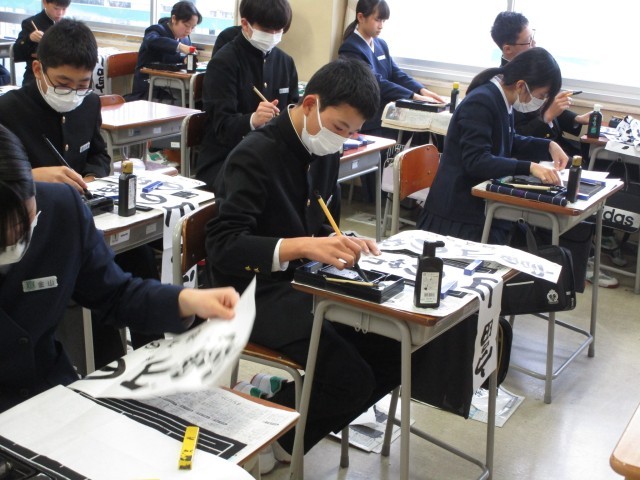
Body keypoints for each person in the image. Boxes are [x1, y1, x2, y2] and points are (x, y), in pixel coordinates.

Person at [206, 59, 401, 459]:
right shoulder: (254, 154)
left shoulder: (322, 148)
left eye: (352, 132)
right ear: (310, 104)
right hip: (251, 292)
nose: (343, 139)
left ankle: (280, 418)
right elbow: (224, 246)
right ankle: (273, 438)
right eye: (340, 127)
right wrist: (304, 246)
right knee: (351, 379)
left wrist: (340, 240)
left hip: (304, 281)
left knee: (392, 350)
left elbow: (319, 221)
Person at [0, 124, 239, 413]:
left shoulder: (60, 209)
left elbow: (115, 294)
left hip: (48, 391)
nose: (17, 240)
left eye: (25, 221)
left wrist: (184, 300)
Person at [0, 19, 167, 364]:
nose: (73, 93)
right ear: (38, 69)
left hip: (88, 212)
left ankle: (153, 355)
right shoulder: (8, 111)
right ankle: (107, 361)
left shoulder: (89, 105)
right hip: (34, 228)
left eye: (83, 84)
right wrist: (32, 177)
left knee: (137, 256)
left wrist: (91, 176)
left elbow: (99, 154)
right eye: (63, 83)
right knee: (91, 280)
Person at [417, 47, 568, 244]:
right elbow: (477, 161)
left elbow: (507, 138)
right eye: (542, 95)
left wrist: (548, 146)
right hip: (457, 214)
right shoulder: (481, 102)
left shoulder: (503, 98)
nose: (541, 101)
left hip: (479, 204)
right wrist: (529, 167)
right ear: (521, 85)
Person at [338, 0, 444, 201]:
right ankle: (378, 200)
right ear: (361, 17)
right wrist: (413, 96)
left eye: (384, 21)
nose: (381, 26)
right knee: (379, 166)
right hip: (369, 116)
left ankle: (400, 197)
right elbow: (375, 81)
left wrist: (421, 89)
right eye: (377, 20)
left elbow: (396, 73)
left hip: (387, 113)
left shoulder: (380, 44)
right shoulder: (350, 48)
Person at [196, 0, 298, 188]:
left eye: (279, 30)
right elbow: (222, 127)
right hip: (226, 159)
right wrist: (252, 120)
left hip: (270, 157)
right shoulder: (224, 62)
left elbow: (293, 111)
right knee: (268, 188)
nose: (273, 36)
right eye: (266, 30)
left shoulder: (285, 62)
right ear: (245, 24)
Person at [491, 11, 590, 158]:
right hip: (535, 155)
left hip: (556, 144)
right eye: (529, 41)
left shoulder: (531, 69)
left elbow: (544, 106)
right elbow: (513, 139)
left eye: (533, 38)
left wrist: (577, 119)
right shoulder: (505, 85)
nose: (534, 44)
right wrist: (546, 118)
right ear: (508, 49)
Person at [131, 1, 202, 101]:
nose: (189, 31)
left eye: (193, 27)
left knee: (197, 100)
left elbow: (178, 58)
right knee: (180, 103)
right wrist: (179, 46)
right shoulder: (156, 30)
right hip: (150, 89)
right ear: (174, 19)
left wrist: (185, 60)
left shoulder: (185, 38)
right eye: (186, 25)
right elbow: (151, 41)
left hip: (173, 86)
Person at [13, 0, 70, 86]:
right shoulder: (31, 22)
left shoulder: (67, 25)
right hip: (36, 75)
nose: (60, 13)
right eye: (56, 8)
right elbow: (17, 52)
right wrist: (30, 38)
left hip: (62, 75)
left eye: (64, 9)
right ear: (45, 3)